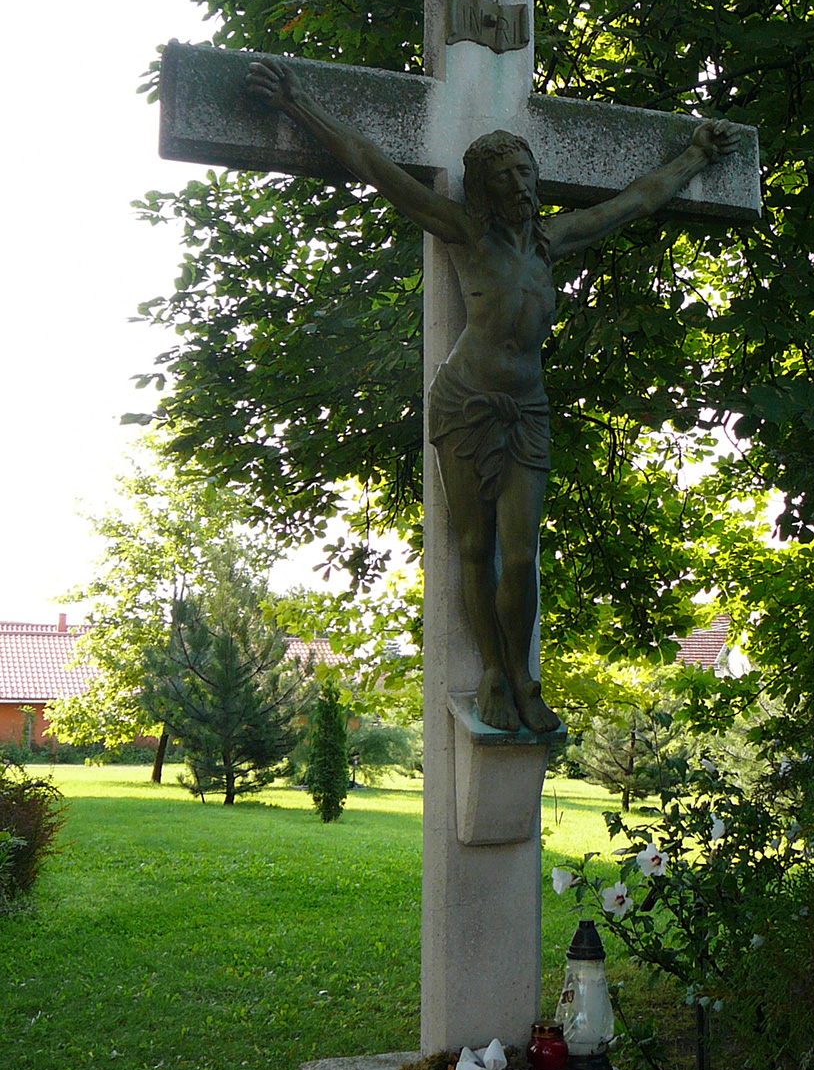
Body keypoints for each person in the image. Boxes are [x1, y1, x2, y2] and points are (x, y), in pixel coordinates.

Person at [247, 58, 737, 734]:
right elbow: (373, 165)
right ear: (483, 186)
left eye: (525, 171)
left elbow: (638, 200)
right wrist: (296, 104)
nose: (520, 184)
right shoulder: (466, 232)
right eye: (505, 175)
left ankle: (523, 677)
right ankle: (497, 675)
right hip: (465, 404)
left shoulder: (552, 240)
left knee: (522, 552)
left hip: (527, 411)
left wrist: (695, 155)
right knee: (476, 547)